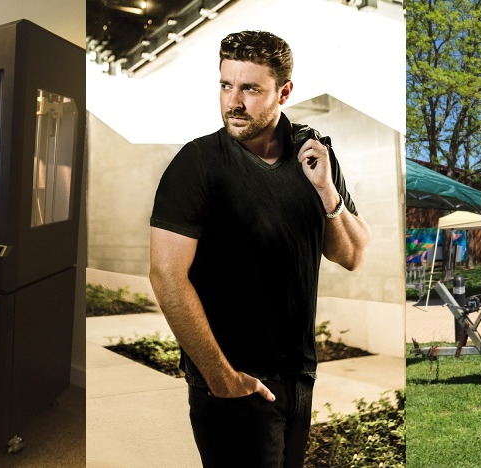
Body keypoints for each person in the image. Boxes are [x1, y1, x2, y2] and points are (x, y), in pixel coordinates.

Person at [148, 31, 371, 467]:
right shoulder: (197, 165)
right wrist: (221, 377)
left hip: (298, 375)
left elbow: (352, 254)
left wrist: (327, 192)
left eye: (250, 88)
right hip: (234, 381)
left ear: (284, 92)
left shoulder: (313, 155)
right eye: (226, 85)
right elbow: (165, 274)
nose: (233, 101)